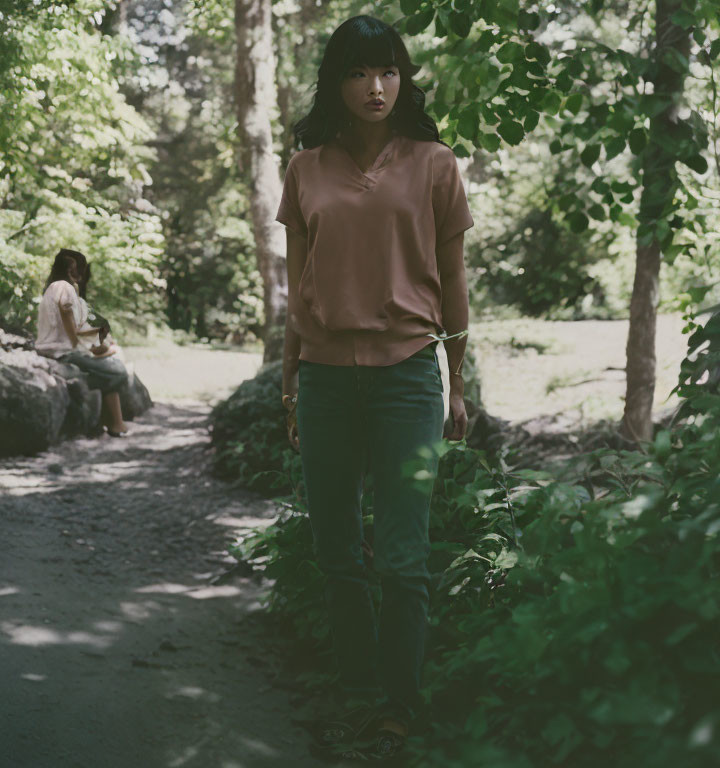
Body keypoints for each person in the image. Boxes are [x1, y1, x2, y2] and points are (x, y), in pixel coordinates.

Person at [275, 15, 473, 761]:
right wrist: (290, 384)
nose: (376, 87)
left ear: (404, 76)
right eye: (359, 73)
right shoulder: (306, 168)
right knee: (337, 553)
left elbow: (453, 278)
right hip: (324, 378)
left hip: (408, 377)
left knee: (401, 555)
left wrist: (458, 382)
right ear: (336, 82)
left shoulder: (434, 163)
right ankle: (356, 693)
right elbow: (299, 288)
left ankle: (398, 707)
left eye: (388, 70)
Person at [35, 250, 129, 437]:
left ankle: (116, 425)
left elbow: (71, 326)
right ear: (72, 269)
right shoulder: (64, 287)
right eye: (80, 267)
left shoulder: (53, 287)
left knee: (112, 368)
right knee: (118, 371)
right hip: (63, 353)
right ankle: (112, 421)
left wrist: (97, 339)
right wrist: (87, 344)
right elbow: (70, 324)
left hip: (58, 350)